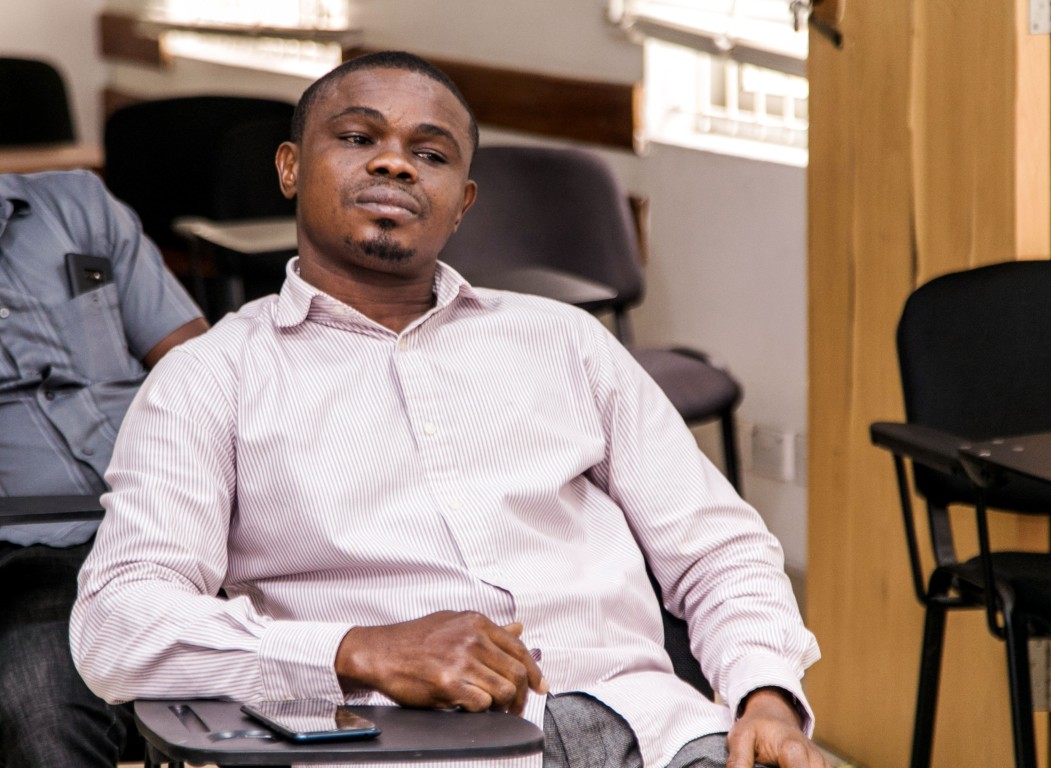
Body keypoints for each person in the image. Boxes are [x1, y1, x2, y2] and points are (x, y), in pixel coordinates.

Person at [71, 51, 828, 768]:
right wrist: (358, 650)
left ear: (461, 203)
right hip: (404, 747)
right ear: (290, 168)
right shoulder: (212, 377)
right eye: (358, 137)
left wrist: (767, 696)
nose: (396, 163)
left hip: (652, 733)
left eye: (430, 154)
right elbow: (116, 622)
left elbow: (718, 548)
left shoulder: (564, 341)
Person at [0, 169, 207, 767]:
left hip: (177, 520)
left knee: (328, 660)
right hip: (35, 552)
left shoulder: (78, 205)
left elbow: (197, 367)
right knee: (44, 713)